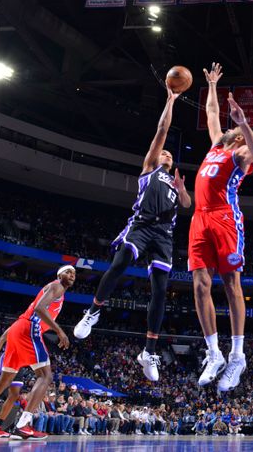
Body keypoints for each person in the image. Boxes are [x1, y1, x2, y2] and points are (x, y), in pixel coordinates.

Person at [74, 87, 191, 382]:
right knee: (121, 260)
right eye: (163, 151)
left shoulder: (174, 181)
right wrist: (170, 100)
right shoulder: (150, 167)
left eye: (168, 154)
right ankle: (93, 312)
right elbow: (162, 129)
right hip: (141, 224)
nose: (165, 152)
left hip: (164, 235)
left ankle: (148, 350)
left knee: (161, 290)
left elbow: (188, 205)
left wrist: (182, 189)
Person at [189, 63, 253, 391]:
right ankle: (214, 352)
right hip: (199, 218)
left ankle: (237, 355)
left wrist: (245, 122)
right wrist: (214, 84)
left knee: (231, 284)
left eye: (233, 133)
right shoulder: (215, 146)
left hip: (224, 218)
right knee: (200, 285)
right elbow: (211, 113)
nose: (226, 131)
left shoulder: (241, 154)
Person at [0, 265, 75, 440]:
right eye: (68, 271)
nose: (72, 275)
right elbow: (39, 308)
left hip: (17, 330)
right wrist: (59, 331)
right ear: (59, 275)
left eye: (74, 273)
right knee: (45, 376)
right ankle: (23, 425)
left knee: (1, 384)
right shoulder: (57, 285)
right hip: (29, 328)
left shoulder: (58, 291)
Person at [0, 326, 36, 438]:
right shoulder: (19, 326)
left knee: (14, 395)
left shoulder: (34, 331)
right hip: (8, 357)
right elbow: (1, 340)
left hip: (20, 362)